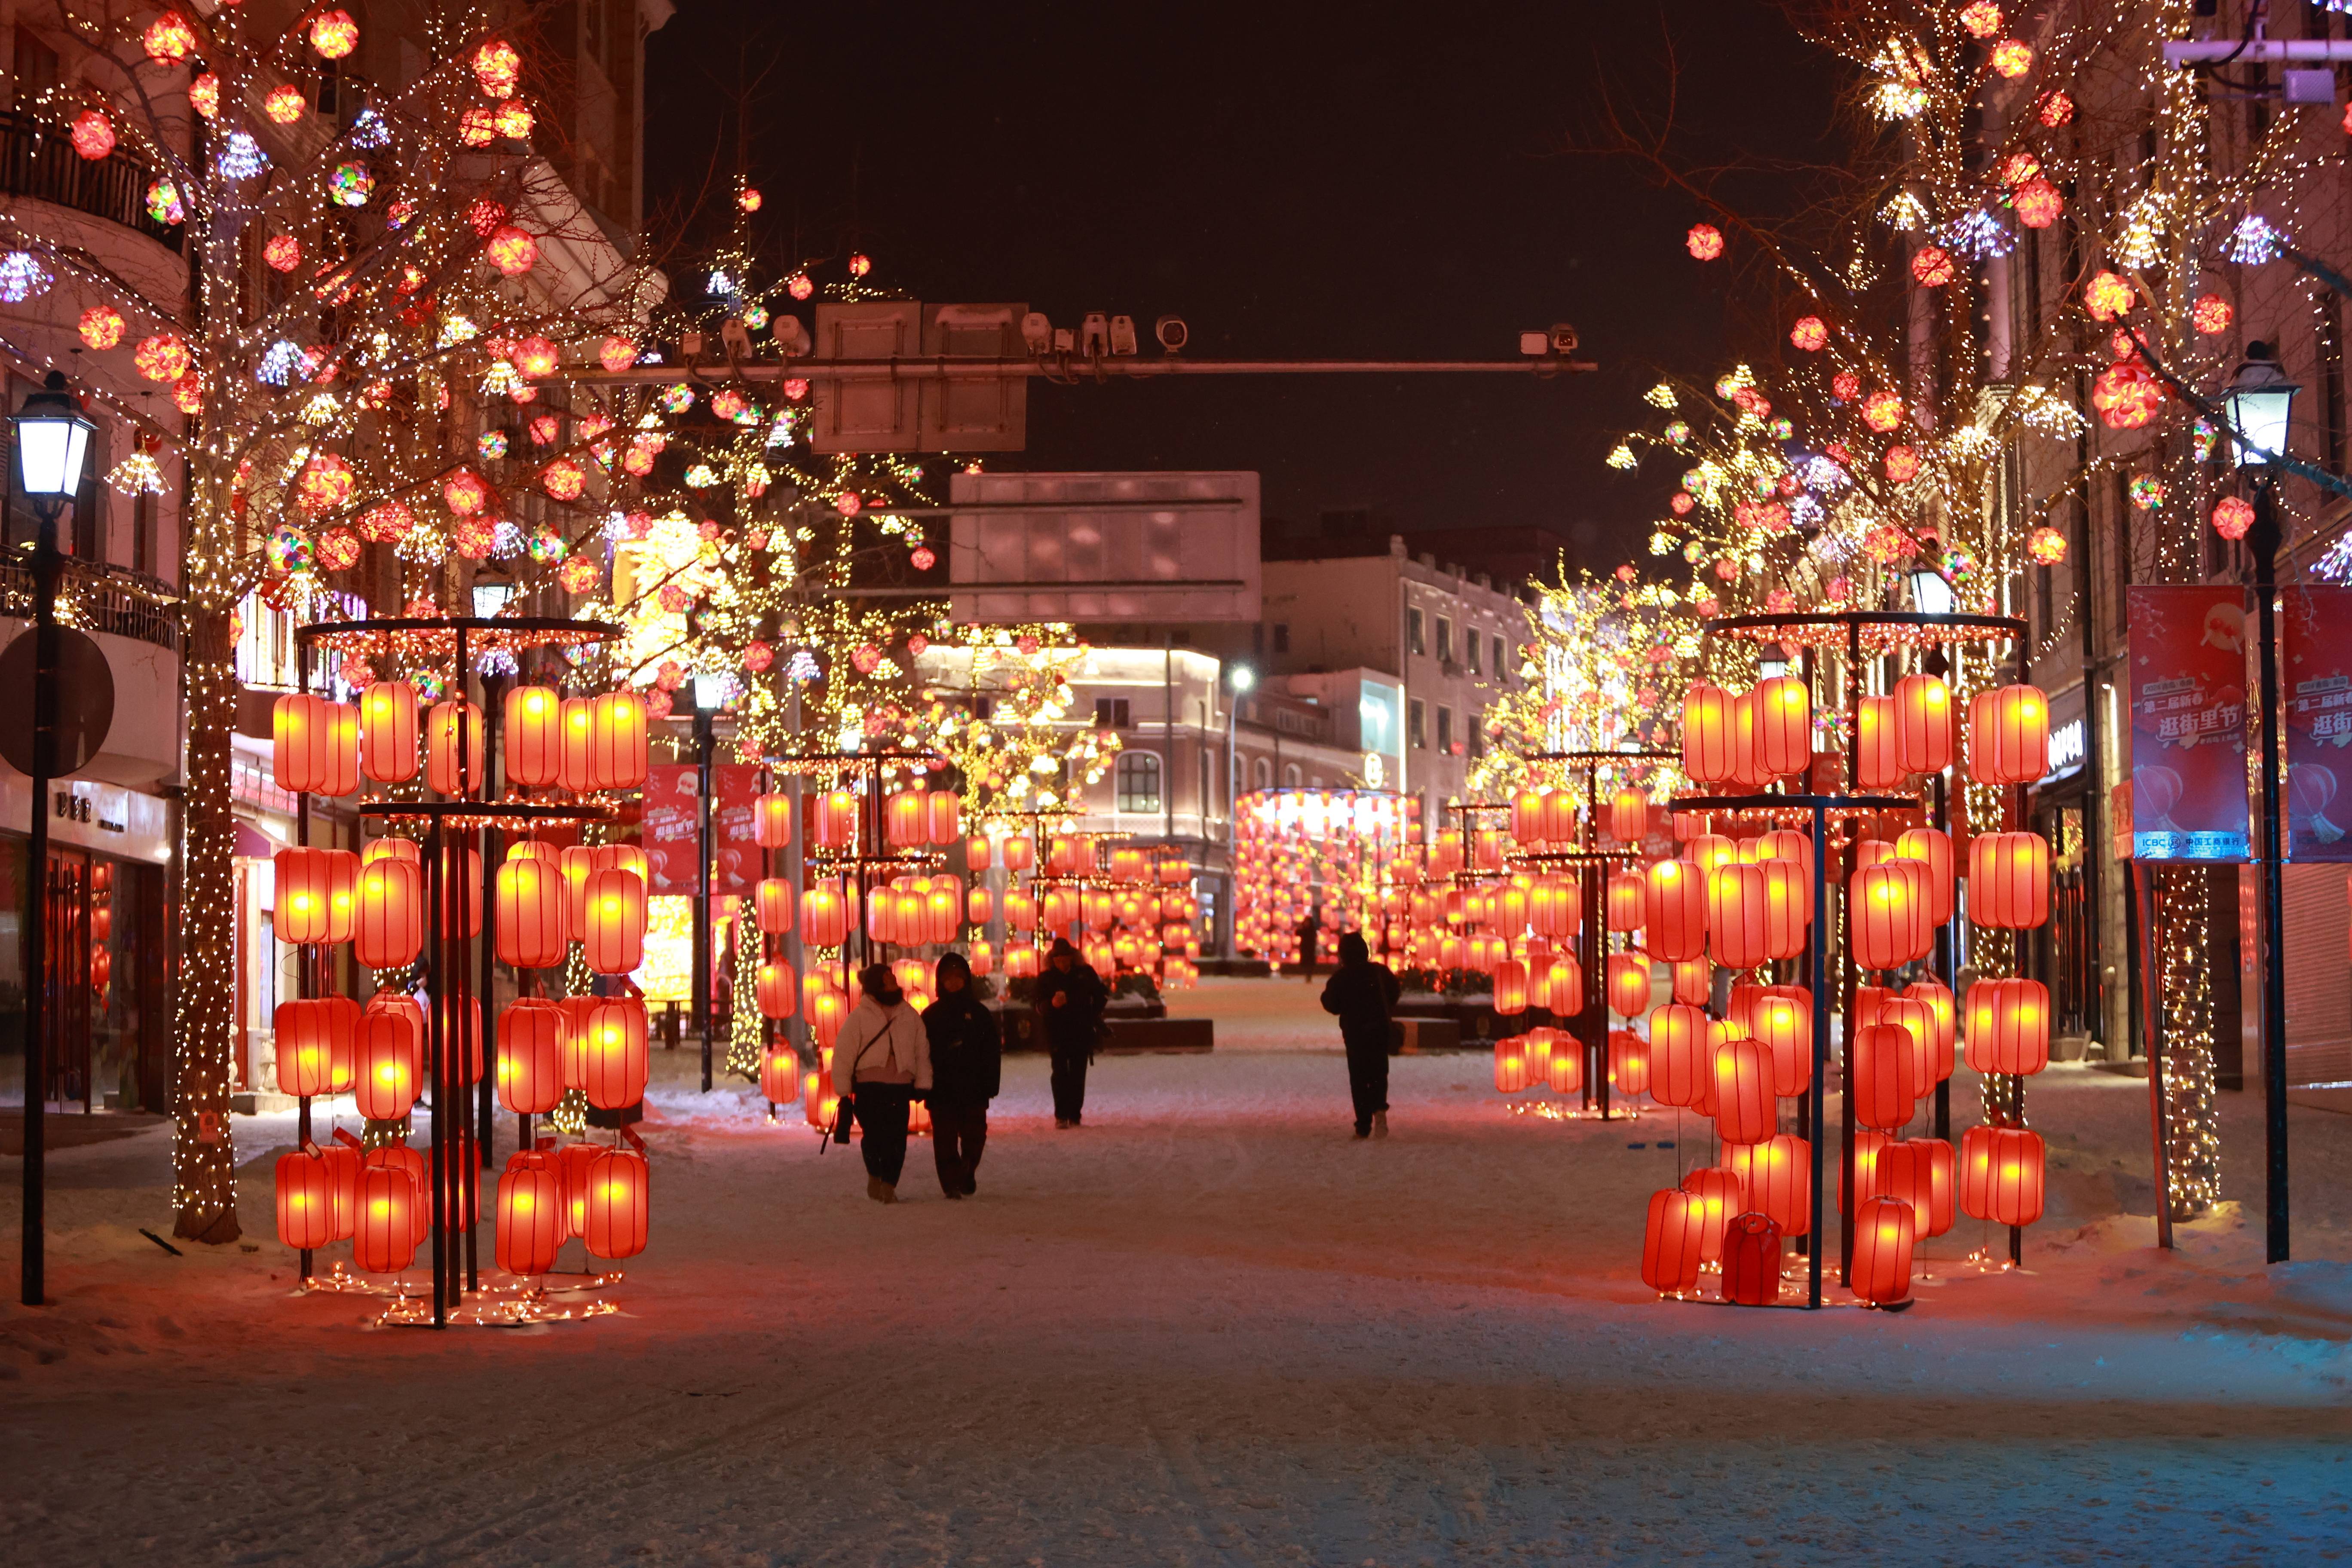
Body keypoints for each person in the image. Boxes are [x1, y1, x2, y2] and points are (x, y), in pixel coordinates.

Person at [830, 961, 931, 1203]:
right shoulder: (859, 1018)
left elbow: (921, 1051)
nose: (892, 980)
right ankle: (875, 1173)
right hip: (869, 1087)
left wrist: (923, 1083)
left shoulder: (909, 1015)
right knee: (874, 1137)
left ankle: (889, 1184)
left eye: (892, 976)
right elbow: (844, 1054)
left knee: (897, 1139)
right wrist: (844, 1090)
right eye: (886, 978)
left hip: (900, 1086)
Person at [923, 951, 1000, 1197]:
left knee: (975, 1136)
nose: (954, 982)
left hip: (974, 1087)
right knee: (944, 1140)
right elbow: (921, 1053)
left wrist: (991, 1084)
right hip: (942, 1088)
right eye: (948, 978)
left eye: (959, 977)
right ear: (940, 982)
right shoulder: (931, 1016)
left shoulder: (980, 1014)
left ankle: (967, 1169)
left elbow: (991, 1052)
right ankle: (951, 1183)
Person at [1320, 931, 1400, 1139]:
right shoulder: (1379, 972)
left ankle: (1363, 1124)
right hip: (1379, 1030)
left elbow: (1331, 1003)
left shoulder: (1342, 978)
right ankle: (1380, 1111)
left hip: (1355, 1033)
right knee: (1379, 1072)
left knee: (1359, 1077)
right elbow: (1394, 992)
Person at [1033, 937, 1107, 1128]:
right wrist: (1050, 1005)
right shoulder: (1046, 978)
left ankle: (1075, 1114)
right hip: (1056, 1031)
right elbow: (1036, 1003)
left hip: (1080, 1029)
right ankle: (1061, 1114)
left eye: (1065, 958)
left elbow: (1100, 995)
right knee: (1059, 1072)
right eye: (1058, 959)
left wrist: (1090, 1012)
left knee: (1078, 1072)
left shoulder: (1085, 974)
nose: (1062, 963)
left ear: (1072, 957)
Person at [1296, 912, 1320, 981]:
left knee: (1310, 962)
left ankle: (1309, 975)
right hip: (1304, 947)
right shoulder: (1303, 929)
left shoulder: (1312, 930)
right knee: (1305, 962)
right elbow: (1297, 933)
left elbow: (1314, 938)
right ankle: (1307, 974)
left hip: (1311, 948)